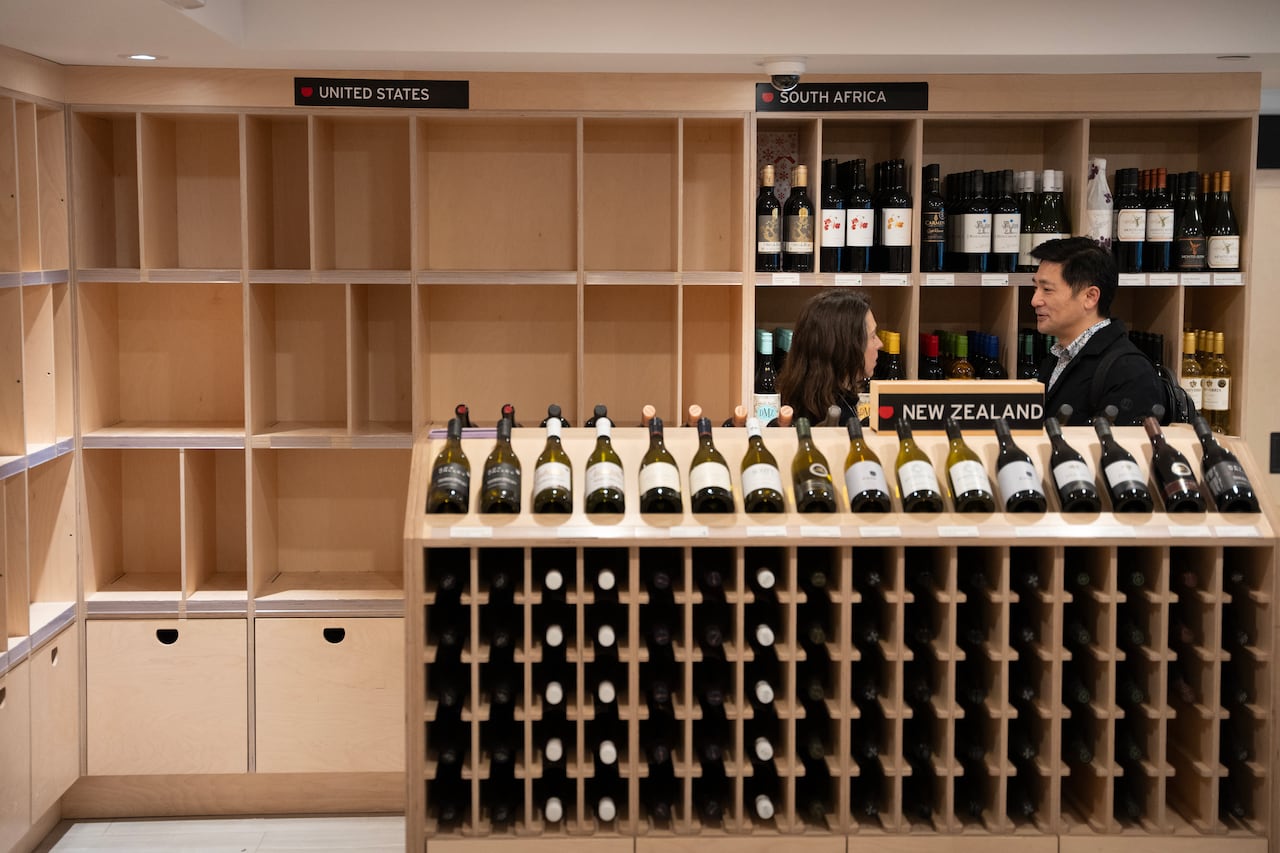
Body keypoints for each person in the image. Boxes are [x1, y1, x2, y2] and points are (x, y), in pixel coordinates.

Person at [1029, 237, 1163, 426]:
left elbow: (1124, 451)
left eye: (1047, 290)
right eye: (1035, 288)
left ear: (1091, 297)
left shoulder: (1130, 371)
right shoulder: (1059, 356)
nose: (1035, 301)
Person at [777, 288, 882, 426]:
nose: (880, 344)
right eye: (872, 336)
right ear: (846, 347)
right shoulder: (834, 425)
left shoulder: (818, 402)